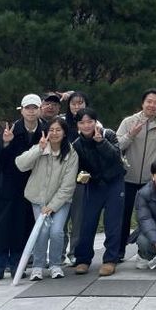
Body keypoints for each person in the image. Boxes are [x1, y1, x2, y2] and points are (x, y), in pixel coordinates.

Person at [0, 94, 45, 284]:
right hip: (7, 186)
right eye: (28, 108)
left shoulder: (45, 130)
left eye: (35, 108)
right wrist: (6, 142)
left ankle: (17, 266)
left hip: (30, 186)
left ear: (40, 109)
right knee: (0, 228)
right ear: (22, 110)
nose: (31, 111)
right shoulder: (10, 129)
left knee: (22, 227)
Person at [15, 116, 78, 280]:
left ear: (64, 133)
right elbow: (20, 165)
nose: (55, 133)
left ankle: (55, 264)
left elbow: (68, 185)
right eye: (51, 130)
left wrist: (52, 206)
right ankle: (38, 266)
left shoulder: (71, 153)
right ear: (46, 132)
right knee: (42, 231)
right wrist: (38, 149)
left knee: (56, 231)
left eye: (58, 130)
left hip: (61, 201)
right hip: (38, 199)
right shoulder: (40, 147)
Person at [116, 88, 156, 261]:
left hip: (150, 181)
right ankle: (118, 251)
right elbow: (117, 146)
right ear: (142, 103)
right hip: (128, 177)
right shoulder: (129, 122)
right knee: (123, 216)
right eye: (149, 101)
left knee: (149, 217)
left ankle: (146, 251)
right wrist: (131, 135)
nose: (152, 105)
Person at [71, 108, 126, 277]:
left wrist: (101, 142)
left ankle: (110, 260)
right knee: (87, 222)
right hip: (94, 185)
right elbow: (78, 168)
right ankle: (83, 259)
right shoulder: (77, 144)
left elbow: (116, 157)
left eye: (90, 121)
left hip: (114, 182)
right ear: (77, 125)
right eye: (82, 122)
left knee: (112, 222)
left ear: (96, 122)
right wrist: (82, 176)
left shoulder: (108, 134)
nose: (86, 125)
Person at [62, 90, 90, 266]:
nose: (77, 106)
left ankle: (75, 252)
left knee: (78, 218)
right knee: (60, 218)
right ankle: (58, 254)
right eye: (73, 103)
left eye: (80, 103)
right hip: (61, 177)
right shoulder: (61, 122)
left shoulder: (92, 123)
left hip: (81, 178)